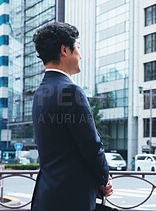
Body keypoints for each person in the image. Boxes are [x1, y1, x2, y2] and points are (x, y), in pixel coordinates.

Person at [31, 22, 113, 211]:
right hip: (72, 197)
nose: (80, 55)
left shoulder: (41, 92)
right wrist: (103, 179)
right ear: (65, 50)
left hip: (47, 195)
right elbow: (91, 145)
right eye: (78, 48)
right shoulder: (70, 90)